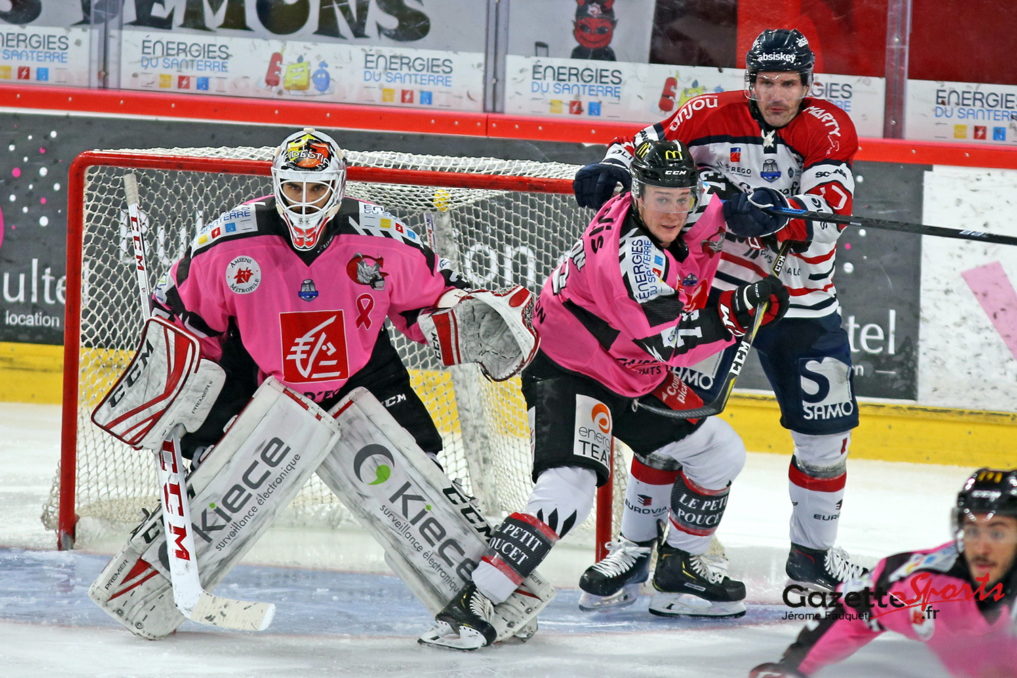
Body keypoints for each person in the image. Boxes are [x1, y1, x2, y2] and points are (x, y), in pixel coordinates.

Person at [420, 138, 791, 650]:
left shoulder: (669, 207)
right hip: (572, 371)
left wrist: (747, 213)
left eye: (681, 198)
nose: (673, 211)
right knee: (568, 488)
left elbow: (705, 208)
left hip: (629, 371)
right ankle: (473, 601)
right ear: (637, 196)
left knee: (719, 450)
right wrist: (736, 310)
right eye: (662, 199)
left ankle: (680, 565)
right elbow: (670, 341)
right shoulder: (630, 259)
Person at [573, 27, 867, 592]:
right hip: (718, 294)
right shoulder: (708, 113)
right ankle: (634, 550)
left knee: (825, 442)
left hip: (801, 300)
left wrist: (780, 213)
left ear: (807, 85)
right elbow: (643, 145)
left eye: (789, 84)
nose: (777, 95)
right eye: (766, 82)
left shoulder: (828, 128)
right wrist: (613, 166)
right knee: (669, 425)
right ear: (750, 83)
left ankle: (812, 556)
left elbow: (828, 217)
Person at [749, 468, 1017, 678]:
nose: (981, 547)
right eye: (972, 530)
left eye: (997, 533)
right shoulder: (921, 583)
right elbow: (855, 609)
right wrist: (794, 668)